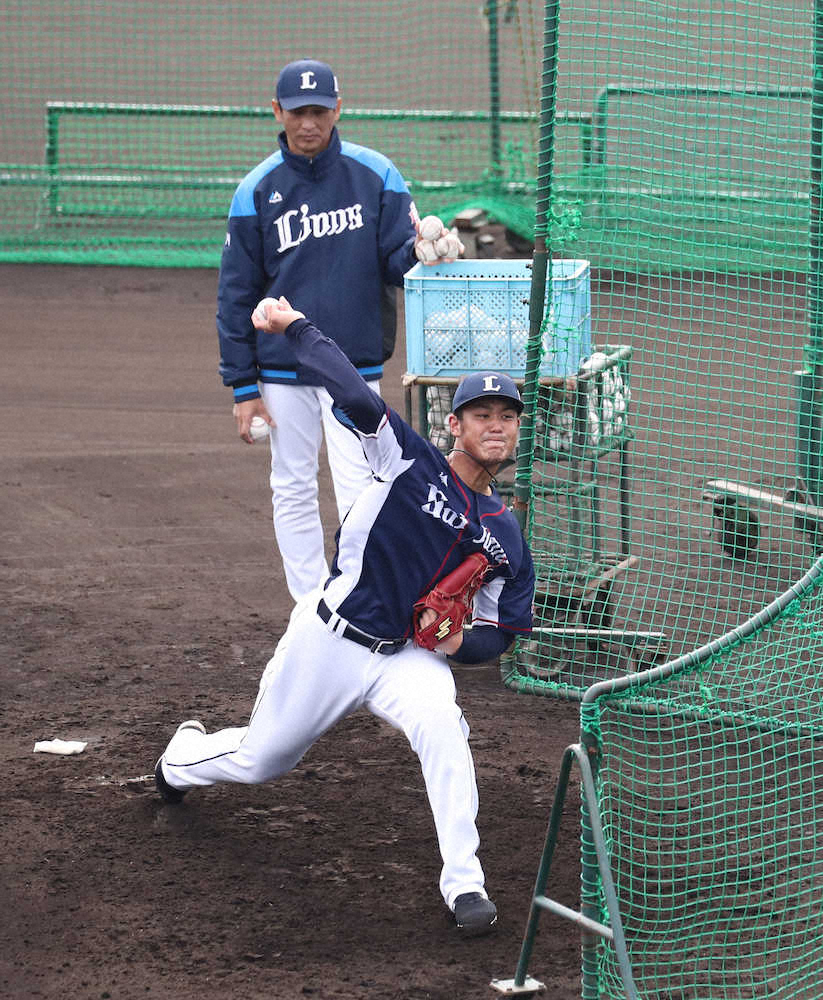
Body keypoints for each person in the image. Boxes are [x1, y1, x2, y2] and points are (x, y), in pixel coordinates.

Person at [156, 296, 535, 937]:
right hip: (331, 637)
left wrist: (455, 645)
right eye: (481, 414)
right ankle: (179, 760)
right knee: (262, 759)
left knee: (444, 727)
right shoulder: (407, 458)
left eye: (507, 416)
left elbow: (502, 633)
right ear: (454, 425)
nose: (495, 426)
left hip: (407, 656)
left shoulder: (508, 537)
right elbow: (353, 392)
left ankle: (465, 882)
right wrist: (294, 327)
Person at [217, 57, 456, 601]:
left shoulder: (376, 175)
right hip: (282, 369)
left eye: (319, 111)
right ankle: (309, 606)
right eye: (297, 112)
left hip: (352, 365)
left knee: (363, 488)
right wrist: (243, 387)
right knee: (292, 484)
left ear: (338, 109)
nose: (309, 123)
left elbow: (396, 262)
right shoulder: (256, 190)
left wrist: (421, 254)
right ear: (276, 111)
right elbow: (235, 294)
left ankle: (357, 598)